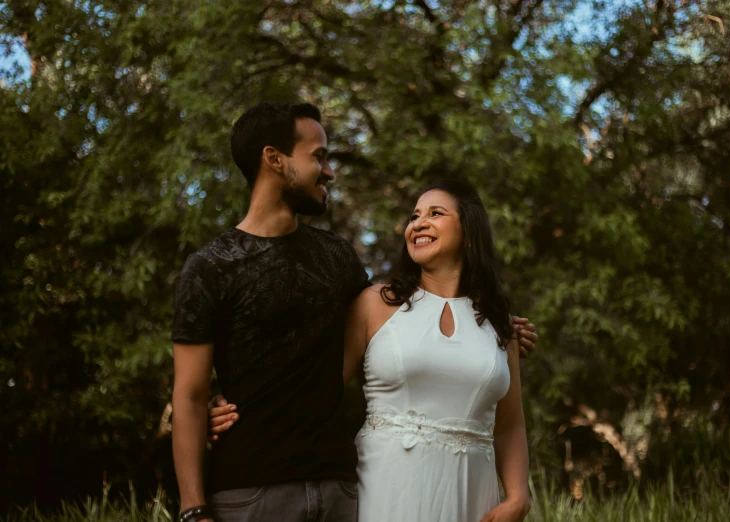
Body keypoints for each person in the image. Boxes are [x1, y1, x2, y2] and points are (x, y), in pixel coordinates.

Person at [172, 101, 538, 522]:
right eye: (320, 157)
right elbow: (189, 395)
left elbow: (406, 329)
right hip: (251, 488)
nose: (329, 171)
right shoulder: (210, 267)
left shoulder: (338, 258)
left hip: (340, 488)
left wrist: (495, 328)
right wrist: (193, 503)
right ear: (274, 158)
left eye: (435, 213)